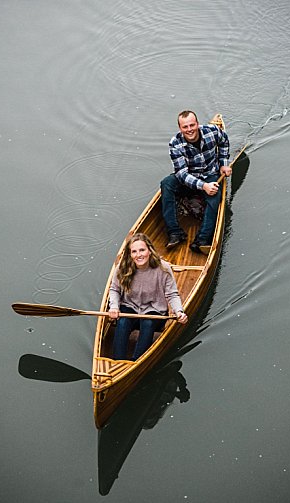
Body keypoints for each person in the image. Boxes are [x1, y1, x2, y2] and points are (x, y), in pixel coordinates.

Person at [108, 233, 188, 361]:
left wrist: (179, 311)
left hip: (155, 310)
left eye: (142, 250)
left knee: (148, 323)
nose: (138, 255)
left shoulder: (163, 268)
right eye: (134, 251)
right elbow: (114, 290)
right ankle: (118, 361)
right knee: (122, 322)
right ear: (130, 254)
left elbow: (172, 294)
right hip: (130, 307)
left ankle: (137, 362)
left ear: (149, 251)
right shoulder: (122, 268)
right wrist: (114, 307)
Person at [162, 110, 230, 253]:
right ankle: (175, 233)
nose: (189, 130)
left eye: (192, 125)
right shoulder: (175, 144)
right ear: (180, 128)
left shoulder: (213, 131)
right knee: (167, 183)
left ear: (198, 124)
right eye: (185, 127)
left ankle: (202, 239)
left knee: (214, 196)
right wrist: (203, 186)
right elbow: (181, 174)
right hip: (188, 178)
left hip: (210, 174)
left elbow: (224, 141)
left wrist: (223, 163)